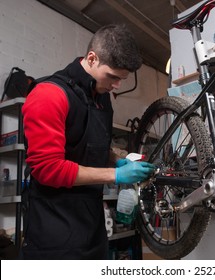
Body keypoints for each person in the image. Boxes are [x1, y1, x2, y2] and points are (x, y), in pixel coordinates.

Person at [20, 24, 156, 260]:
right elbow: (47, 169)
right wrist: (114, 176)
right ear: (92, 58)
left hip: (92, 227)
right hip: (54, 232)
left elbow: (87, 144)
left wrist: (116, 159)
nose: (116, 85)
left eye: (122, 79)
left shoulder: (101, 98)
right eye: (113, 76)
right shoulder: (49, 95)